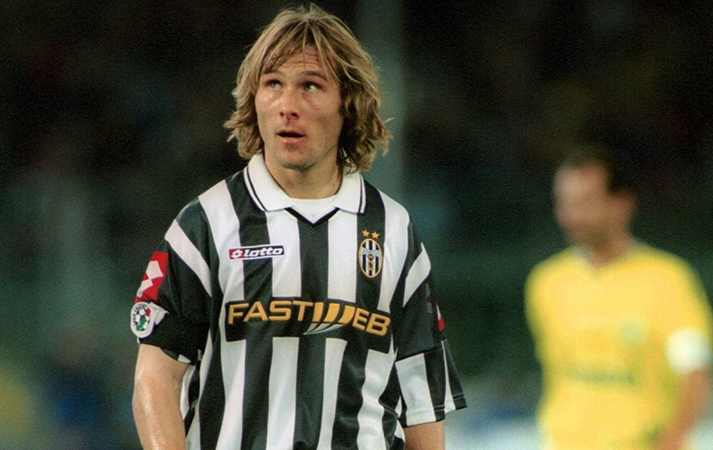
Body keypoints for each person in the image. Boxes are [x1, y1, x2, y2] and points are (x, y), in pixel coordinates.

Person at [130, 5, 466, 450]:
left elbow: (422, 402)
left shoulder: (394, 231)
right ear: (253, 99)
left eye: (310, 86)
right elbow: (154, 377)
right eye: (273, 84)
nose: (288, 106)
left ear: (348, 103)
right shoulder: (206, 224)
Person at [525, 144, 713, 450]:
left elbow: (695, 371)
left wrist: (672, 440)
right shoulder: (546, 282)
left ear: (622, 204)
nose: (572, 215)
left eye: (585, 202)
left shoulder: (667, 279)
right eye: (564, 202)